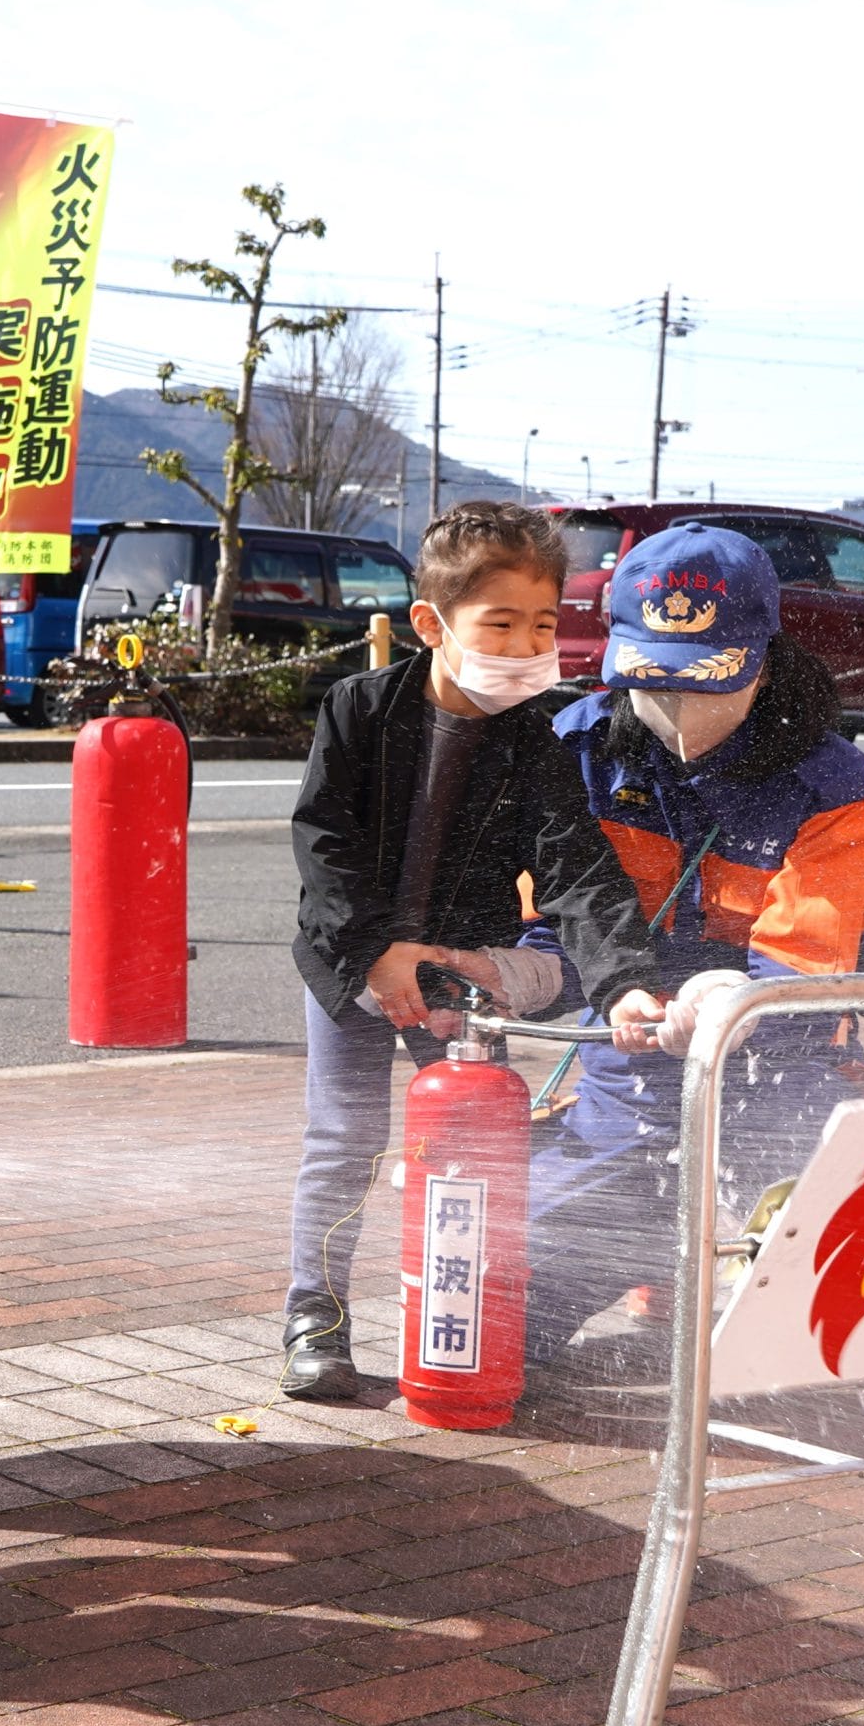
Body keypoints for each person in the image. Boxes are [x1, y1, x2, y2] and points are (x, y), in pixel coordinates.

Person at [282, 500, 665, 1399]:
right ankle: (316, 1317)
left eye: (544, 624)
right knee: (344, 1140)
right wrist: (375, 952)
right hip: (350, 967)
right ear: (432, 622)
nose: (528, 646)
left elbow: (578, 869)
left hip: (460, 973)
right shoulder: (359, 711)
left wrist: (628, 984)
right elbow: (323, 852)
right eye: (500, 623)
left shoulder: (536, 739)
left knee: (480, 1145)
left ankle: (481, 1320)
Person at [526, 524, 864, 1362]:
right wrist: (548, 973)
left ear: (763, 659)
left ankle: (704, 1268)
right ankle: (654, 1255)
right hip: (630, 1055)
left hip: (785, 1062)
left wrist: (732, 1000)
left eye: (707, 680)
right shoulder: (574, 749)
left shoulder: (830, 779)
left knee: (812, 1334)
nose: (679, 710)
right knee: (514, 1305)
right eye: (654, 682)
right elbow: (551, 912)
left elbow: (811, 956)